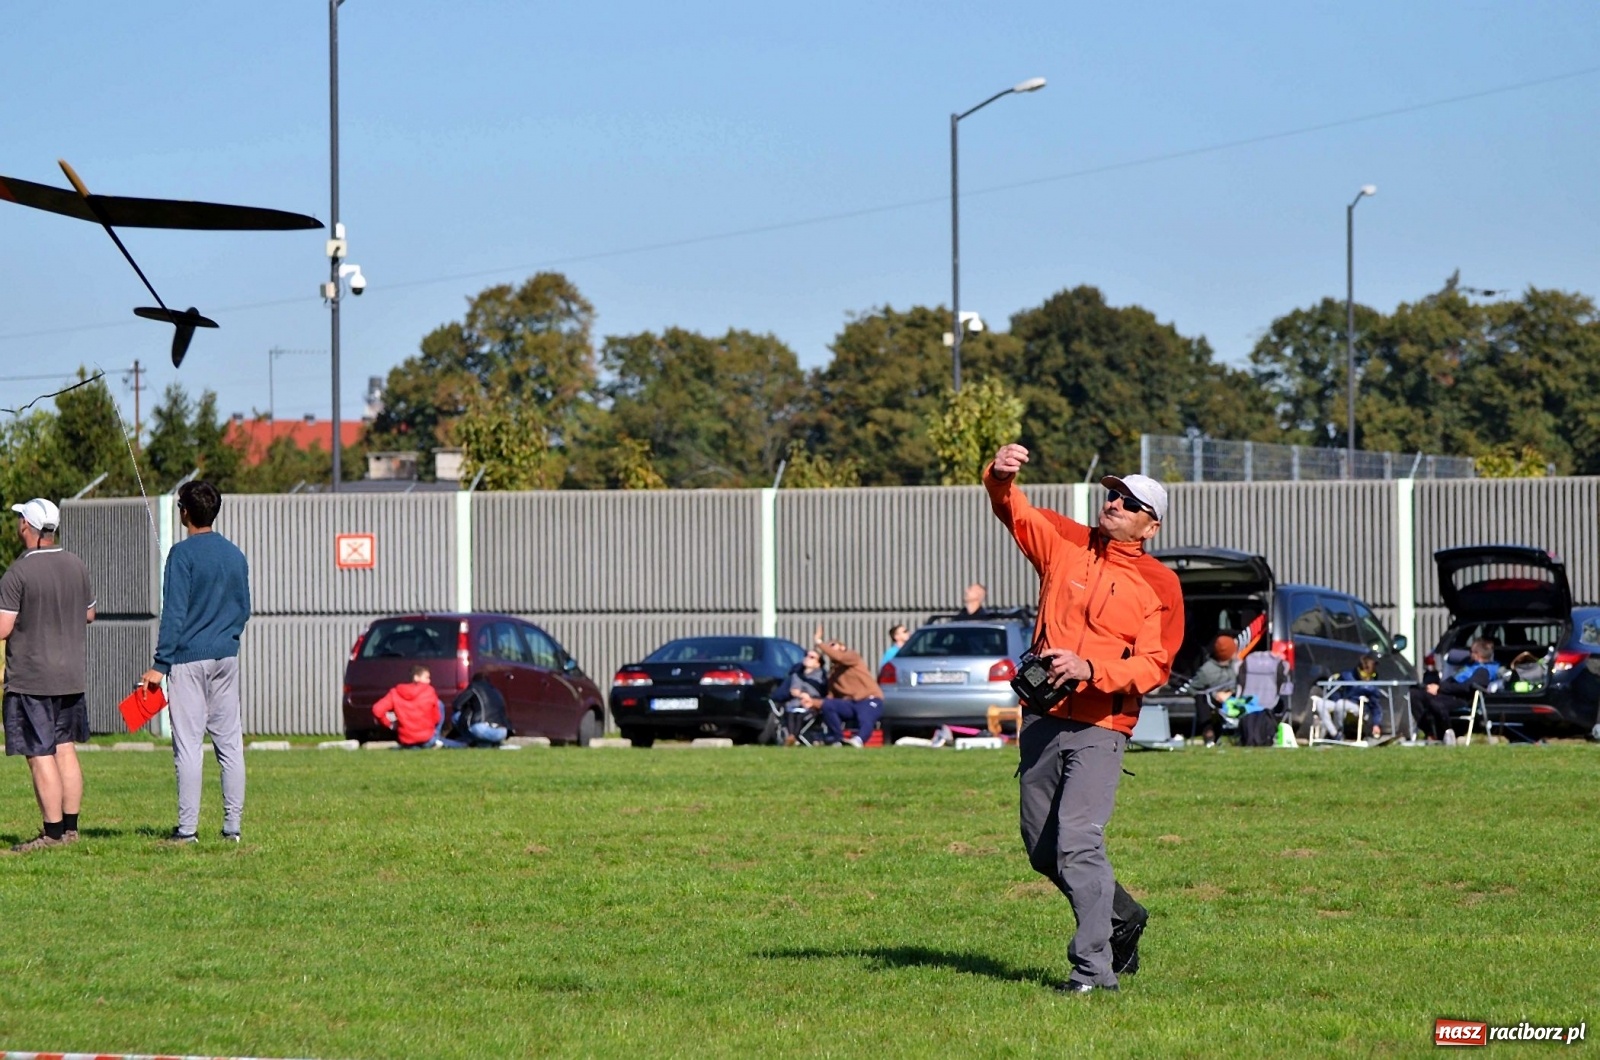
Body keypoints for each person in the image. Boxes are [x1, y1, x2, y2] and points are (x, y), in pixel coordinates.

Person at [986, 445, 1179, 994]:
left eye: (1130, 501)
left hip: (1103, 726)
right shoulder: (1066, 542)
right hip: (1043, 717)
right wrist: (999, 478)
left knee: (1077, 842)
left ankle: (1093, 972)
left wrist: (1091, 667)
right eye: (1113, 494)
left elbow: (1156, 664)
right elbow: (1014, 509)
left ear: (1151, 525)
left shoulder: (1161, 585)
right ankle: (1122, 916)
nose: (1115, 502)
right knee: (1042, 850)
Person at [140, 481, 251, 845]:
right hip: (226, 657)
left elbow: (173, 614)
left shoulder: (181, 555)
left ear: (184, 512)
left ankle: (187, 830)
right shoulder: (235, 555)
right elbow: (243, 609)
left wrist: (161, 664)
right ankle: (231, 827)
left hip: (188, 661)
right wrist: (227, 638)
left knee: (188, 746)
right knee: (230, 744)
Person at [0, 498, 95, 853]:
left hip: (32, 678)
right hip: (70, 675)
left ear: (28, 525)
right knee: (64, 748)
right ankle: (70, 829)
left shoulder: (18, 572)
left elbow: (3, 626)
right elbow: (89, 614)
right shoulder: (75, 564)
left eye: (20, 519)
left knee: (39, 753)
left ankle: (51, 834)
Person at [794, 625, 884, 747]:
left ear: (842, 647)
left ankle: (858, 741)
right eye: (829, 646)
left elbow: (839, 657)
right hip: (851, 704)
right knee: (828, 705)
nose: (831, 649)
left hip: (869, 699)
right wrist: (813, 703)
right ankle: (837, 738)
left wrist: (819, 642)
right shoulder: (833, 674)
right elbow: (830, 697)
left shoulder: (852, 657)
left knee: (865, 718)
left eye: (833, 646)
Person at [1411, 638, 1498, 743]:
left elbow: (1467, 687)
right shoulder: (1469, 666)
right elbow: (1452, 680)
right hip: (1448, 693)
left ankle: (1446, 731)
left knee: (1435, 702)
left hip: (1461, 698)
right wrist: (1434, 686)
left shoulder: (1483, 671)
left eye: (1471, 651)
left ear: (1477, 654)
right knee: (1415, 694)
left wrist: (1440, 688)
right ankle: (1430, 732)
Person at [1179, 635, 1241, 747]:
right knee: (1200, 698)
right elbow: (1192, 689)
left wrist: (1229, 693)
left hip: (1233, 699)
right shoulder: (1207, 671)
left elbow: (1241, 684)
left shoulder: (1236, 666)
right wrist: (1213, 695)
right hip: (1212, 701)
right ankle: (1209, 733)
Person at [373, 665, 452, 748]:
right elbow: (436, 718)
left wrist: (390, 724)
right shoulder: (429, 691)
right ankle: (436, 739)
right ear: (416, 677)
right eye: (427, 678)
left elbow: (377, 710)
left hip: (407, 739)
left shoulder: (395, 692)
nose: (429, 681)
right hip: (427, 737)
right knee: (440, 704)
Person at [780, 647, 828, 744]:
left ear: (818, 663)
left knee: (800, 716)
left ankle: (794, 738)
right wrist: (802, 694)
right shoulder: (797, 674)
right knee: (791, 713)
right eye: (806, 656)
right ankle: (792, 737)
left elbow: (818, 692)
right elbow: (794, 690)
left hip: (812, 705)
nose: (807, 658)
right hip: (795, 703)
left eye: (812, 657)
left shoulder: (821, 677)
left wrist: (807, 697)